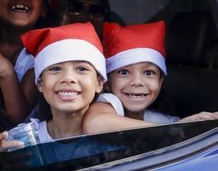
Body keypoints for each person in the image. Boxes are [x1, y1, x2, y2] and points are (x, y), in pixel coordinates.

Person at [84, 21, 218, 134]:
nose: (137, 82)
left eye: (148, 73)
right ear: (107, 82)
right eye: (124, 72)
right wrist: (171, 130)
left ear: (160, 82)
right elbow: (95, 123)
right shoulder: (110, 102)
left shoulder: (163, 120)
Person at [0, 22, 106, 151]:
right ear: (40, 83)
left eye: (82, 69)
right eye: (55, 68)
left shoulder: (113, 134)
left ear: (98, 83)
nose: (68, 78)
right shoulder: (25, 139)